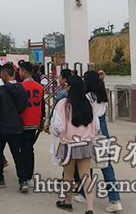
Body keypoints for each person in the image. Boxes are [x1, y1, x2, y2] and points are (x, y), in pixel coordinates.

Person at [51, 75, 99, 214]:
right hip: (85, 143)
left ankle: (67, 202)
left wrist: (59, 135)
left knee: (68, 175)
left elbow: (57, 125)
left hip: (68, 144)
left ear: (70, 87)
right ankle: (89, 208)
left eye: (66, 85)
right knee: (86, 176)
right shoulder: (88, 104)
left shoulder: (63, 104)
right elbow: (96, 126)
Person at [76, 70, 122, 213]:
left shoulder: (86, 97)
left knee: (85, 167)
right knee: (107, 169)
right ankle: (115, 200)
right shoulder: (103, 96)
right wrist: (101, 79)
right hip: (103, 136)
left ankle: (84, 194)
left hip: (89, 135)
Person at [0, 63, 28, 192]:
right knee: (17, 154)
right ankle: (23, 180)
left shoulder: (0, 90)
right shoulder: (21, 88)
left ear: (5, 74)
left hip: (2, 126)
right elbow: (23, 106)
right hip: (16, 125)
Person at [19, 61, 44, 186]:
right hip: (35, 122)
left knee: (22, 150)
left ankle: (24, 176)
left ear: (24, 71)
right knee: (29, 148)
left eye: (20, 70)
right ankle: (29, 174)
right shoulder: (39, 87)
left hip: (23, 122)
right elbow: (42, 106)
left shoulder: (20, 87)